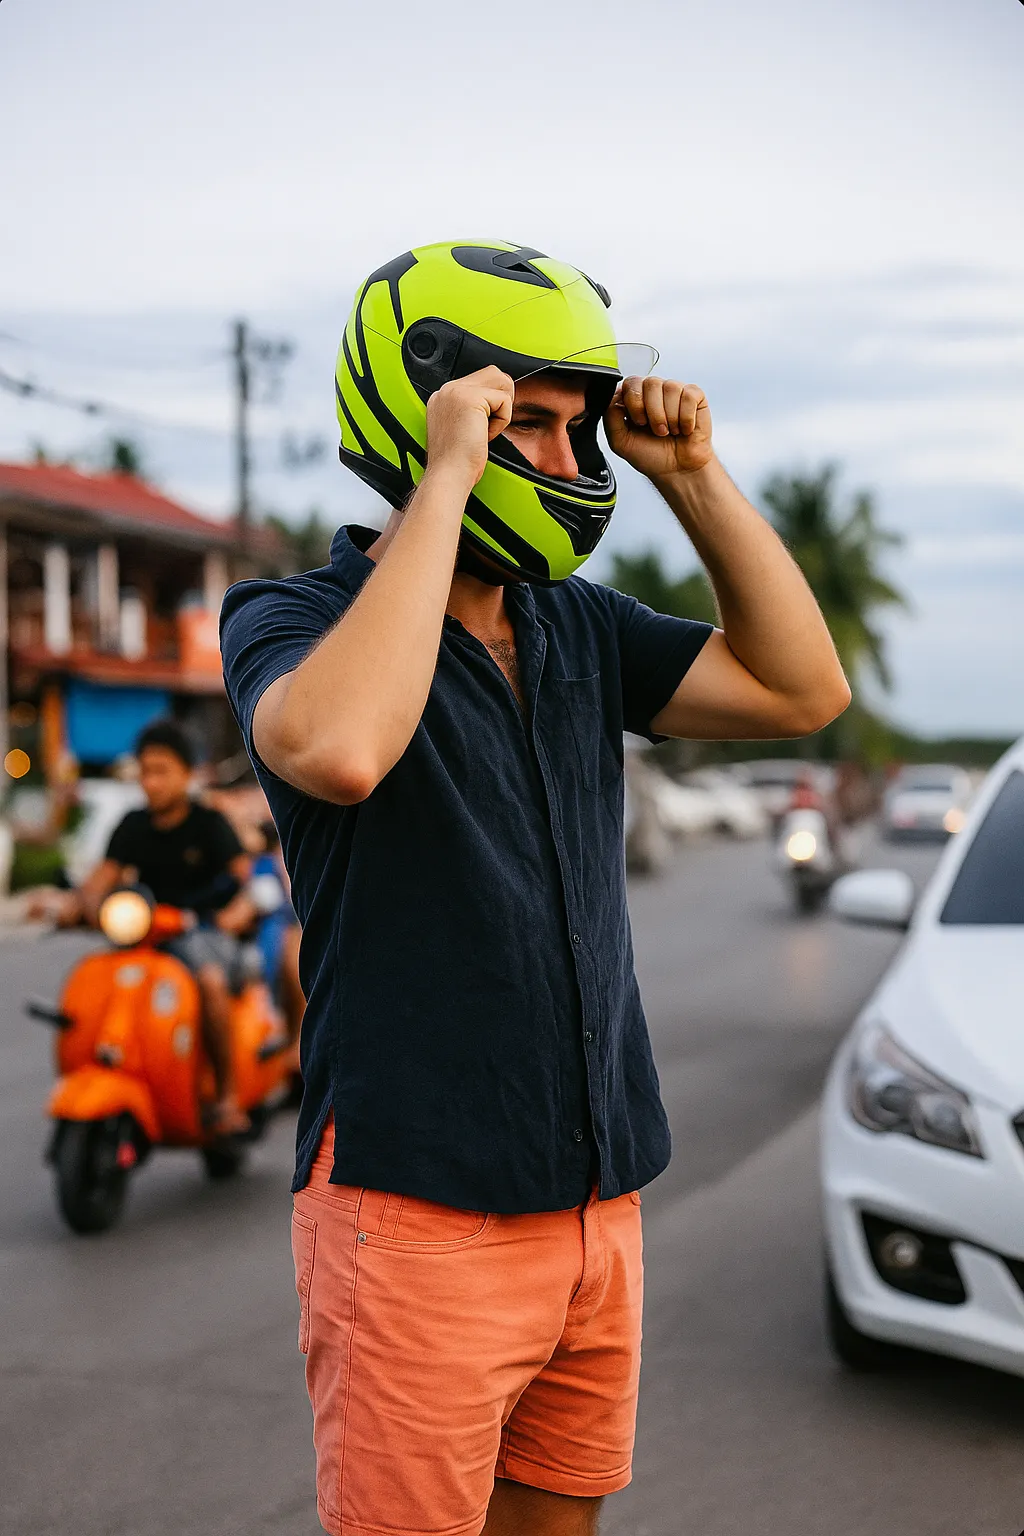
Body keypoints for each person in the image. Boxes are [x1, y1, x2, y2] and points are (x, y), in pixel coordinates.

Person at [220, 240, 851, 1536]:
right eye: (530, 428)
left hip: (596, 1209)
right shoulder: (291, 619)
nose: (569, 466)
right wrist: (450, 471)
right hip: (416, 1215)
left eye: (580, 433)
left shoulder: (578, 627)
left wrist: (694, 478)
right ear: (427, 413)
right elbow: (340, 748)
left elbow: (803, 689)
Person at [67, 718, 252, 1135]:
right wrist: (79, 906)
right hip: (146, 933)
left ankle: (227, 1097)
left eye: (162, 771)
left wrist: (234, 913)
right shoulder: (133, 825)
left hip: (201, 933)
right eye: (145, 771)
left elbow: (246, 882)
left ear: (187, 774)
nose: (151, 782)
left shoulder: (209, 824)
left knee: (209, 982)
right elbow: (100, 880)